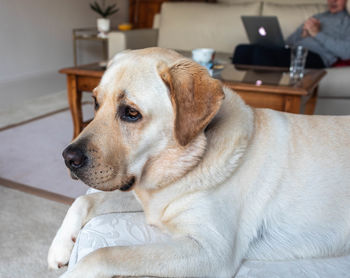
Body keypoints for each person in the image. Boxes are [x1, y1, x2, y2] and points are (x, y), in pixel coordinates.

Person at [233, 0, 350, 68]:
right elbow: (289, 42)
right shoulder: (317, 17)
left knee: (260, 53)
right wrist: (303, 35)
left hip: (315, 57)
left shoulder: (347, 21)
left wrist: (316, 34)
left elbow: (346, 52)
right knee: (242, 49)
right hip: (293, 50)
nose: (333, 1)